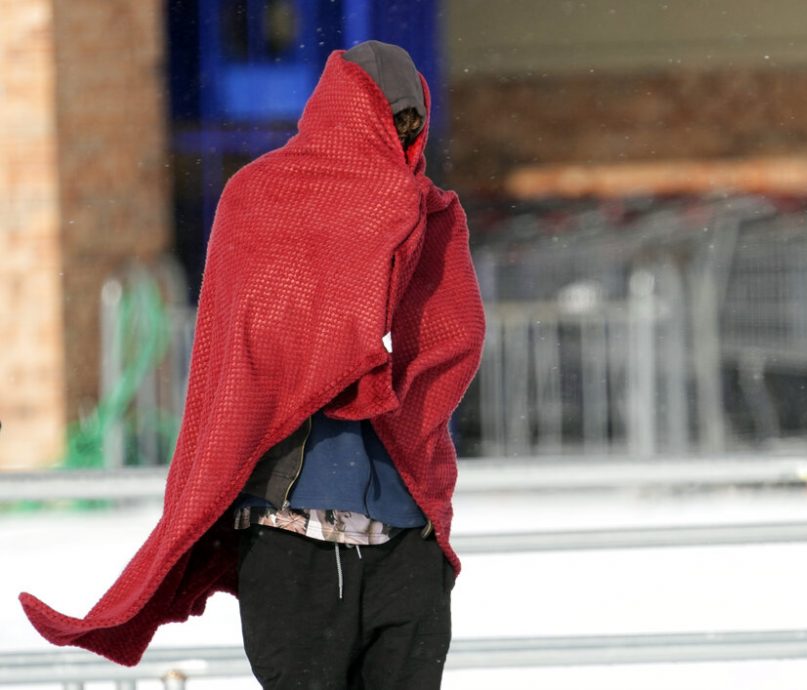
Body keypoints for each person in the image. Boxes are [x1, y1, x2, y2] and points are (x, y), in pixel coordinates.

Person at [21, 40, 486, 690]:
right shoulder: (261, 199)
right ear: (348, 114)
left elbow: (451, 343)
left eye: (412, 124)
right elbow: (249, 346)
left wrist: (385, 335)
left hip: (405, 544)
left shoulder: (429, 216)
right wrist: (346, 342)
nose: (402, 138)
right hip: (289, 543)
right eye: (389, 120)